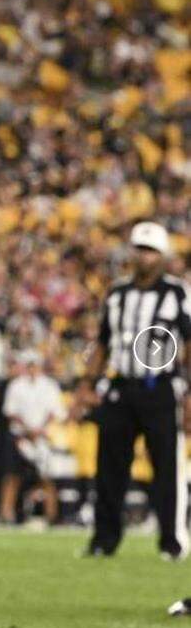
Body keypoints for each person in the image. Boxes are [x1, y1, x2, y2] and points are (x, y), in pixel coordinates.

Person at [81, 222, 191, 559]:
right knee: (109, 467)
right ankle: (104, 541)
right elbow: (102, 342)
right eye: (139, 249)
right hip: (120, 387)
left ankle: (171, 541)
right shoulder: (117, 294)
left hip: (160, 388)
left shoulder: (177, 292)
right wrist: (87, 384)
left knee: (166, 468)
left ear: (162, 256)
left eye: (150, 250)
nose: (143, 256)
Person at [0, 350, 66, 524]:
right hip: (20, 437)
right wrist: (29, 429)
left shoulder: (50, 385)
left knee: (47, 477)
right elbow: (11, 412)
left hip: (42, 438)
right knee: (12, 476)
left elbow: (55, 411)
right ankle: (6, 513)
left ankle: (51, 515)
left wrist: (39, 429)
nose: (32, 368)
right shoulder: (16, 385)